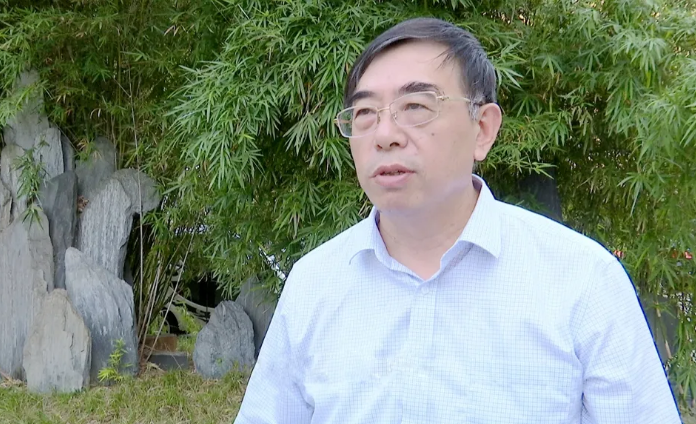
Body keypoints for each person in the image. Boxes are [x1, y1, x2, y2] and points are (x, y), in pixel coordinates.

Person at [234, 17, 681, 423]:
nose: (384, 135)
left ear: (483, 129)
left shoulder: (582, 280)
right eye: (365, 113)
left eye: (416, 106)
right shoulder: (314, 282)